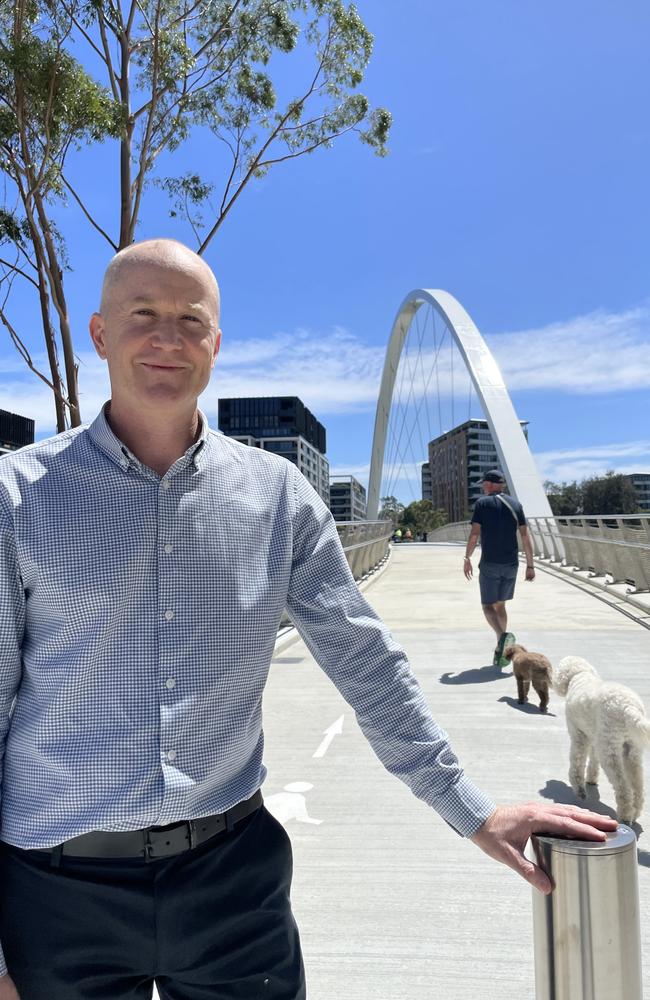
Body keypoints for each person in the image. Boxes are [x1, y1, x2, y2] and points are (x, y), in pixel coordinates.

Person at [0, 241, 615, 1000]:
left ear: (217, 344)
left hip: (231, 878)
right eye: (143, 315)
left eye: (191, 321)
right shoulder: (17, 497)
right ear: (99, 334)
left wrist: (473, 813)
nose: (169, 339)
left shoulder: (277, 496)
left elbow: (366, 663)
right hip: (56, 890)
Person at [463, 469, 536, 665]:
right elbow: (525, 537)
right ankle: (500, 646)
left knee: (487, 605)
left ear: (490, 484)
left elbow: (475, 534)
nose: (482, 486)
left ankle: (503, 636)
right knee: (501, 605)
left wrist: (467, 557)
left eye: (484, 483)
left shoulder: (482, 504)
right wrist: (530, 565)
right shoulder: (516, 504)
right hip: (511, 564)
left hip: (490, 563)